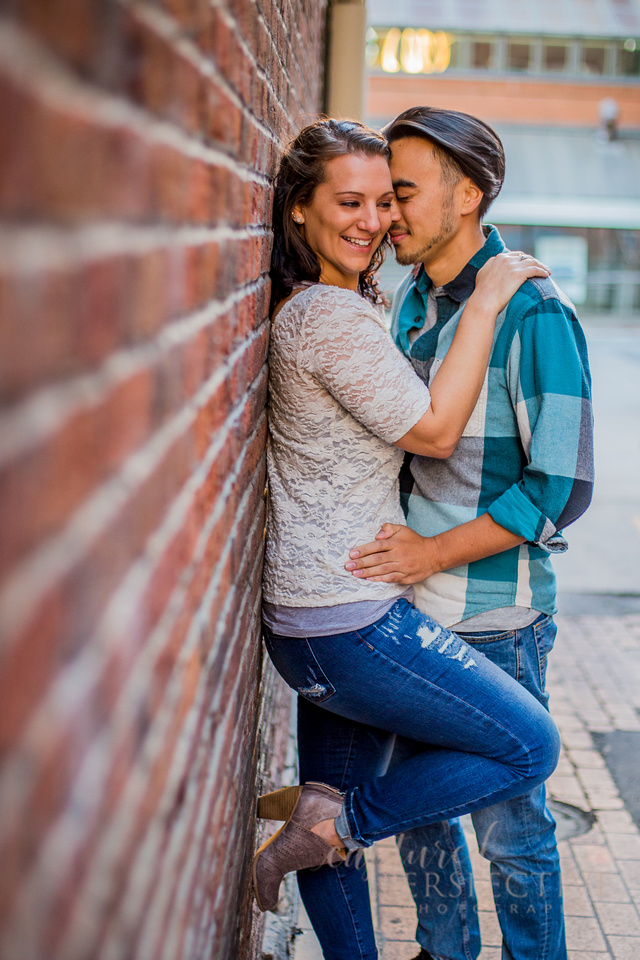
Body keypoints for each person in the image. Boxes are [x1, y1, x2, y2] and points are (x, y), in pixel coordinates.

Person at [254, 117, 560, 960]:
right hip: (350, 620)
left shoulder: (348, 304)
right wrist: (490, 297)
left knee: (323, 803)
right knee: (530, 745)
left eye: (384, 200)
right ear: (298, 214)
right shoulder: (333, 317)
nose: (372, 219)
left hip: (315, 615)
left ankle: (330, 825)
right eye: (347, 202)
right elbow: (432, 432)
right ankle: (341, 824)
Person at [345, 107, 594, 960]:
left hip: (498, 622)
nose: (387, 215)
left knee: (512, 833)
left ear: (470, 193)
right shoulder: (409, 297)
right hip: (406, 617)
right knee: (419, 816)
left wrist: (432, 553)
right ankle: (443, 951)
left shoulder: (535, 315)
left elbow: (560, 488)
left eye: (402, 193)